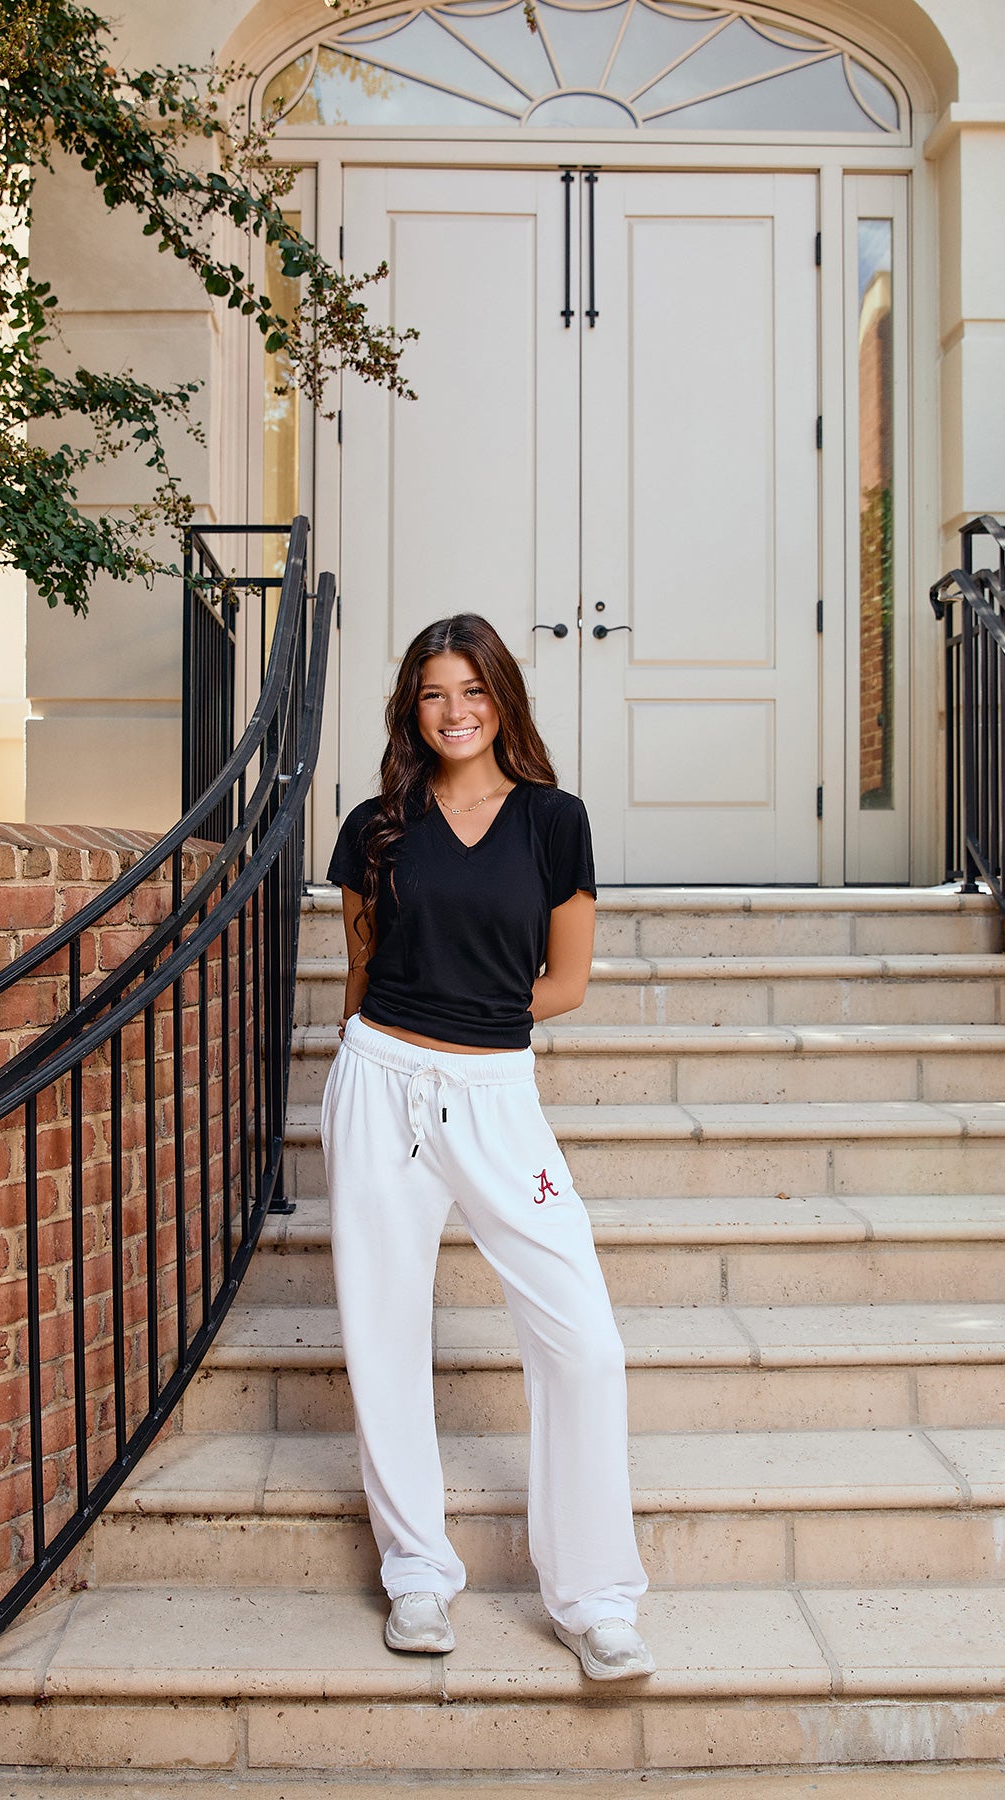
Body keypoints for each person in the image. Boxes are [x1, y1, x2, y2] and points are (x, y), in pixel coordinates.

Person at [320, 612, 653, 1681]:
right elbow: (360, 971)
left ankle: (596, 1598)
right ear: (411, 709)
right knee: (381, 1333)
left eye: (473, 690)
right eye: (433, 693)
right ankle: (418, 1575)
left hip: (497, 1093)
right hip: (380, 1083)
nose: (454, 711)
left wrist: (472, 1027)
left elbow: (565, 983)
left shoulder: (555, 822)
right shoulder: (377, 825)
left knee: (584, 1342)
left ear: (503, 699)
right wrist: (368, 1064)